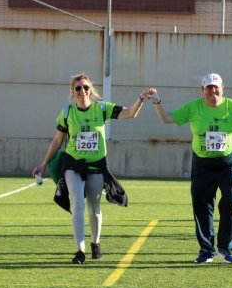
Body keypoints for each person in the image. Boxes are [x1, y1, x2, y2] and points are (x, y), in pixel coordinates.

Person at [33, 73, 154, 264]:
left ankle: (95, 243)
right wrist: (43, 164)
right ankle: (79, 250)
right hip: (73, 164)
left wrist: (141, 99)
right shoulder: (67, 113)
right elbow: (57, 141)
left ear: (91, 90)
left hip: (96, 165)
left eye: (86, 87)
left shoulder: (102, 108)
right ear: (72, 92)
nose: (82, 91)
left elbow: (130, 113)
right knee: (77, 204)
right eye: (78, 88)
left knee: (94, 207)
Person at [146, 73, 232, 264]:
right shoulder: (194, 107)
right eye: (208, 87)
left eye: (216, 87)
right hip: (202, 164)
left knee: (231, 203)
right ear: (203, 91)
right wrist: (157, 101)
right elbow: (167, 118)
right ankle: (206, 251)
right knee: (202, 206)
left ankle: (226, 249)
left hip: (228, 164)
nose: (213, 91)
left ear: (222, 89)